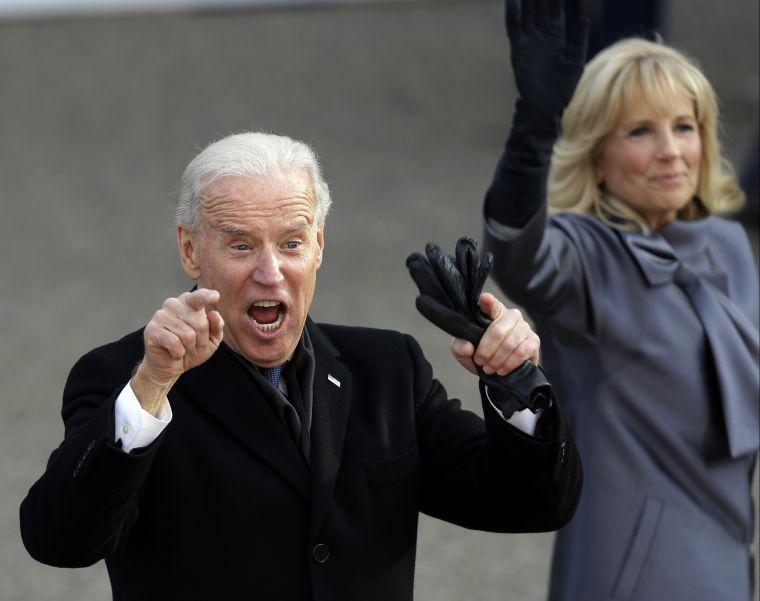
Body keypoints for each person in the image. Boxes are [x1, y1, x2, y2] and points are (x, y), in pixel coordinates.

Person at [20, 131, 582, 601]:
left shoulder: (388, 370)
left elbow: (532, 504)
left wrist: (516, 384)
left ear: (318, 245)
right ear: (191, 251)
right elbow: (60, 541)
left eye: (290, 243)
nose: (270, 273)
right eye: (241, 246)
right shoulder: (126, 378)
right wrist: (153, 383)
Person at [480, 0, 759, 599]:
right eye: (640, 131)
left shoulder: (728, 247)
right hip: (626, 568)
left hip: (727, 558)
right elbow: (517, 251)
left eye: (684, 127)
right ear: (598, 156)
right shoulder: (582, 255)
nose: (671, 150)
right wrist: (533, 134)